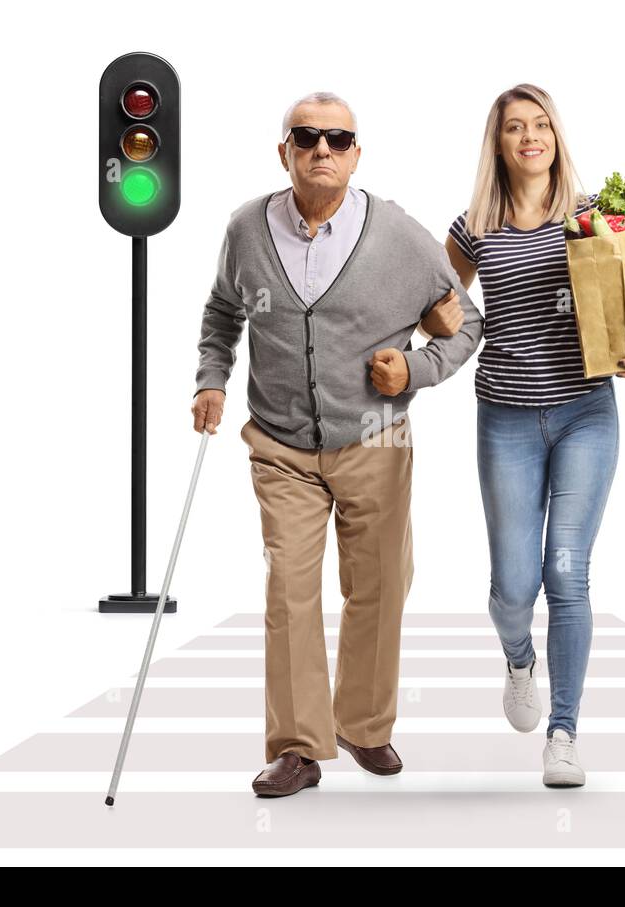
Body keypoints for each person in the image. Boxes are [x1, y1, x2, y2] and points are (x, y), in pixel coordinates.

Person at [192, 91, 483, 797]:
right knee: (289, 591)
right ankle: (298, 747)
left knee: (379, 586)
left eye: (338, 139)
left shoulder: (400, 237)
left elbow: (464, 325)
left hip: (375, 441)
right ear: (284, 150)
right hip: (281, 444)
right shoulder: (246, 230)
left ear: (356, 154)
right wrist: (211, 381)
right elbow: (223, 311)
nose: (323, 149)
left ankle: (365, 724)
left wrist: (413, 368)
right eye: (307, 136)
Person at [418, 83, 625, 787]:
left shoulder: (596, 217)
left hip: (585, 412)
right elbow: (438, 304)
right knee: (511, 585)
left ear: (556, 137)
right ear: (497, 144)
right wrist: (431, 323)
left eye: (541, 125)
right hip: (505, 416)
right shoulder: (474, 225)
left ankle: (564, 733)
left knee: (566, 572)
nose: (530, 137)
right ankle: (518, 659)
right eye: (514, 128)